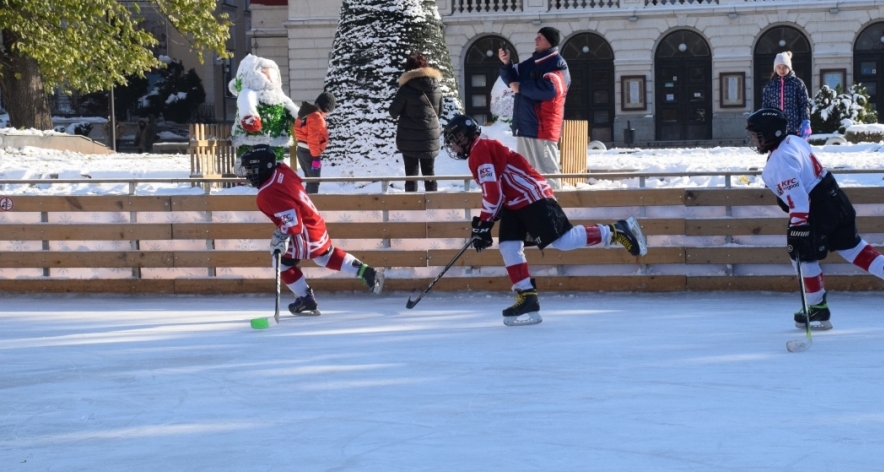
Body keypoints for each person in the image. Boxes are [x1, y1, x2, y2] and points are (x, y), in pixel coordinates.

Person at [442, 114, 647, 326]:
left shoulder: (480, 149)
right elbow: (498, 193)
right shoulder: (480, 150)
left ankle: (615, 231)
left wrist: (484, 223)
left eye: (452, 140)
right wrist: (484, 223)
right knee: (508, 245)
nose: (452, 146)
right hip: (515, 203)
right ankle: (527, 296)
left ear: (463, 136)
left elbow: (492, 194)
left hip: (532, 197)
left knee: (564, 241)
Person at [745, 107, 884, 329]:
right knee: (853, 247)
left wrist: (797, 233)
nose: (753, 140)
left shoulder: (777, 164)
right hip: (835, 196)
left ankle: (817, 308)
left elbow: (800, 202)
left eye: (756, 134)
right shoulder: (794, 141)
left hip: (817, 208)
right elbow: (802, 176)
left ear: (771, 134)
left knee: (801, 257)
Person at [239, 145, 384, 316]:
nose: (248, 174)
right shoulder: (282, 170)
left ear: (264, 167)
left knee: (282, 264)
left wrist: (281, 235)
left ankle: (305, 298)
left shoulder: (267, 193)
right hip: (314, 222)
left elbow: (293, 223)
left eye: (251, 169)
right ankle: (366, 272)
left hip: (303, 231)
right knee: (325, 257)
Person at [498, 27, 570, 187]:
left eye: (540, 37)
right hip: (526, 127)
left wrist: (521, 87)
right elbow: (511, 78)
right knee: (526, 174)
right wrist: (506, 63)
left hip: (542, 129)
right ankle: (532, 208)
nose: (535, 40)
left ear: (550, 42)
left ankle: (554, 208)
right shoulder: (532, 63)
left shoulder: (558, 64)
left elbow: (551, 89)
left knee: (547, 174)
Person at [389, 52, 443, 192]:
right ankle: (432, 205)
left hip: (409, 139)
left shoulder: (406, 89)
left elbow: (393, 112)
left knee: (411, 175)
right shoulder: (436, 87)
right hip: (430, 138)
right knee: (429, 173)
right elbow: (440, 112)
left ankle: (411, 207)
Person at [761, 51, 812, 139]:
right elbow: (766, 107)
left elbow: (804, 104)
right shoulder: (770, 85)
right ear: (775, 68)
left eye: (785, 67)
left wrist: (805, 121)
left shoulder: (797, 83)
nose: (782, 70)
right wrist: (766, 122)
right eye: (779, 67)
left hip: (794, 128)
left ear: (789, 67)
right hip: (775, 129)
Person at [293, 91, 335, 194]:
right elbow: (313, 139)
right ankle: (312, 206)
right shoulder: (316, 117)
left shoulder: (305, 113)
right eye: (328, 112)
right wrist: (316, 157)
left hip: (301, 151)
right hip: (310, 152)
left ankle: (308, 205)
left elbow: (298, 130)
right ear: (326, 107)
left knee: (310, 181)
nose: (326, 115)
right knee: (314, 182)